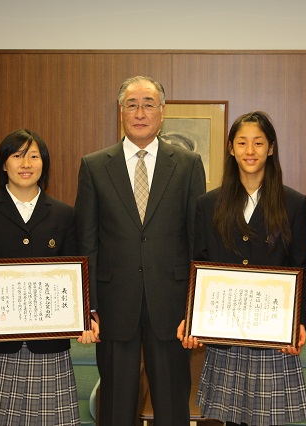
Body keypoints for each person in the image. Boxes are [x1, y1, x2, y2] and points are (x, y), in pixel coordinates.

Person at [74, 75, 206, 426]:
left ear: (162, 112)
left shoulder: (188, 164)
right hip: (115, 302)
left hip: (172, 302)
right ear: (121, 112)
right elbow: (87, 242)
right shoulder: (94, 165)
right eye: (132, 104)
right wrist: (89, 305)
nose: (140, 111)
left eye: (148, 103)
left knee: (172, 402)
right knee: (116, 402)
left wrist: (196, 307)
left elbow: (198, 241)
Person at [0, 128, 98, 425]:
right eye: (17, 156)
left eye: (33, 156)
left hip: (48, 347)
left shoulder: (64, 214)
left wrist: (84, 318)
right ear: (3, 164)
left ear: (44, 164)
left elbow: (75, 275)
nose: (26, 163)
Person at [178, 111, 306, 426]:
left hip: (274, 334)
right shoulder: (209, 204)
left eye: (258, 143)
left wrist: (299, 322)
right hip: (225, 332)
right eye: (242, 142)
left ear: (271, 148)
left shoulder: (294, 203)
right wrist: (191, 318)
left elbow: (302, 268)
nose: (249, 151)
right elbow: (198, 265)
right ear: (230, 148)